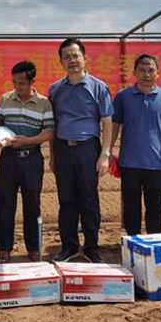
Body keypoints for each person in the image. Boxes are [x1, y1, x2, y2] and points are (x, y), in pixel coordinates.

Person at [48, 38, 113, 263]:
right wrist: (53, 155)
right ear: (61, 62)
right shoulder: (55, 89)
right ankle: (69, 246)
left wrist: (105, 154)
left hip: (88, 150)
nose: (72, 60)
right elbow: (53, 124)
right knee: (66, 200)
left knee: (89, 200)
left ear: (85, 58)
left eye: (75, 56)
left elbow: (107, 122)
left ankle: (92, 247)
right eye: (67, 57)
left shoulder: (98, 87)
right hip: (63, 149)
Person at [0, 61, 55, 263]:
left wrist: (28, 140)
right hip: (8, 158)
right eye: (14, 82)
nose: (17, 86)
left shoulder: (44, 103)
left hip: (32, 158)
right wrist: (0, 136)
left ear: (32, 81)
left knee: (32, 203)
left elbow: (49, 132)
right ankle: (4, 248)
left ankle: (34, 247)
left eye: (21, 83)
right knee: (4, 202)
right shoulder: (5, 99)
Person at [110, 55, 161, 236]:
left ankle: (153, 241)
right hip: (129, 162)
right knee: (131, 206)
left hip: (156, 163)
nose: (147, 75)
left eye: (151, 71)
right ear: (134, 73)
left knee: (154, 206)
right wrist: (108, 151)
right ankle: (133, 242)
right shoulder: (123, 96)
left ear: (158, 74)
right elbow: (114, 125)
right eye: (142, 70)